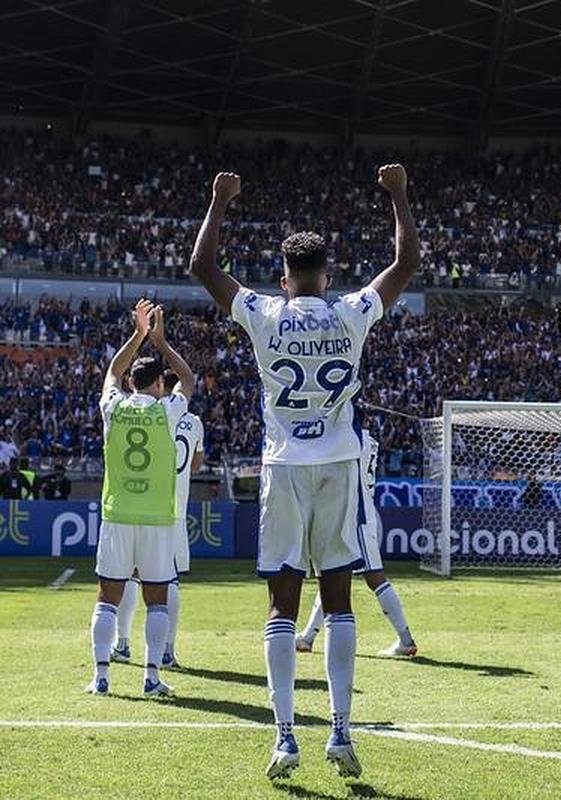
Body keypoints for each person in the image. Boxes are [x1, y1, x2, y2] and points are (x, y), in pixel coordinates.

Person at [189, 163, 418, 779]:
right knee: (339, 600)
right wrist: (397, 194)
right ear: (329, 275)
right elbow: (405, 265)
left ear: (284, 277)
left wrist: (220, 201)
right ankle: (341, 733)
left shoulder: (265, 313)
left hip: (284, 466)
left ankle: (286, 737)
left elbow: (203, 268)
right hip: (341, 465)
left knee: (281, 605)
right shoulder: (350, 313)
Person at [86, 300, 195, 699]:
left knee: (108, 598)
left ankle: (101, 677)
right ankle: (151, 677)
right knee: (157, 600)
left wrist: (138, 334)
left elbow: (113, 371)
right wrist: (161, 342)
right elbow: (190, 378)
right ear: (159, 385)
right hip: (156, 520)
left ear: (132, 384)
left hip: (117, 516)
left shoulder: (112, 408)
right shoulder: (168, 412)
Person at [296, 429, 418, 658]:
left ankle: (405, 639)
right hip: (356, 512)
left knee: (374, 577)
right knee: (333, 572)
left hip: (355, 514)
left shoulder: (347, 437)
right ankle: (308, 637)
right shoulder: (367, 439)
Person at [111, 370, 204, 668]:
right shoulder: (193, 422)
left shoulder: (147, 415)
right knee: (170, 580)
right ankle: (167, 650)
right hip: (174, 509)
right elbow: (197, 466)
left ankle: (122, 643)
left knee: (131, 575)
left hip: (145, 502)